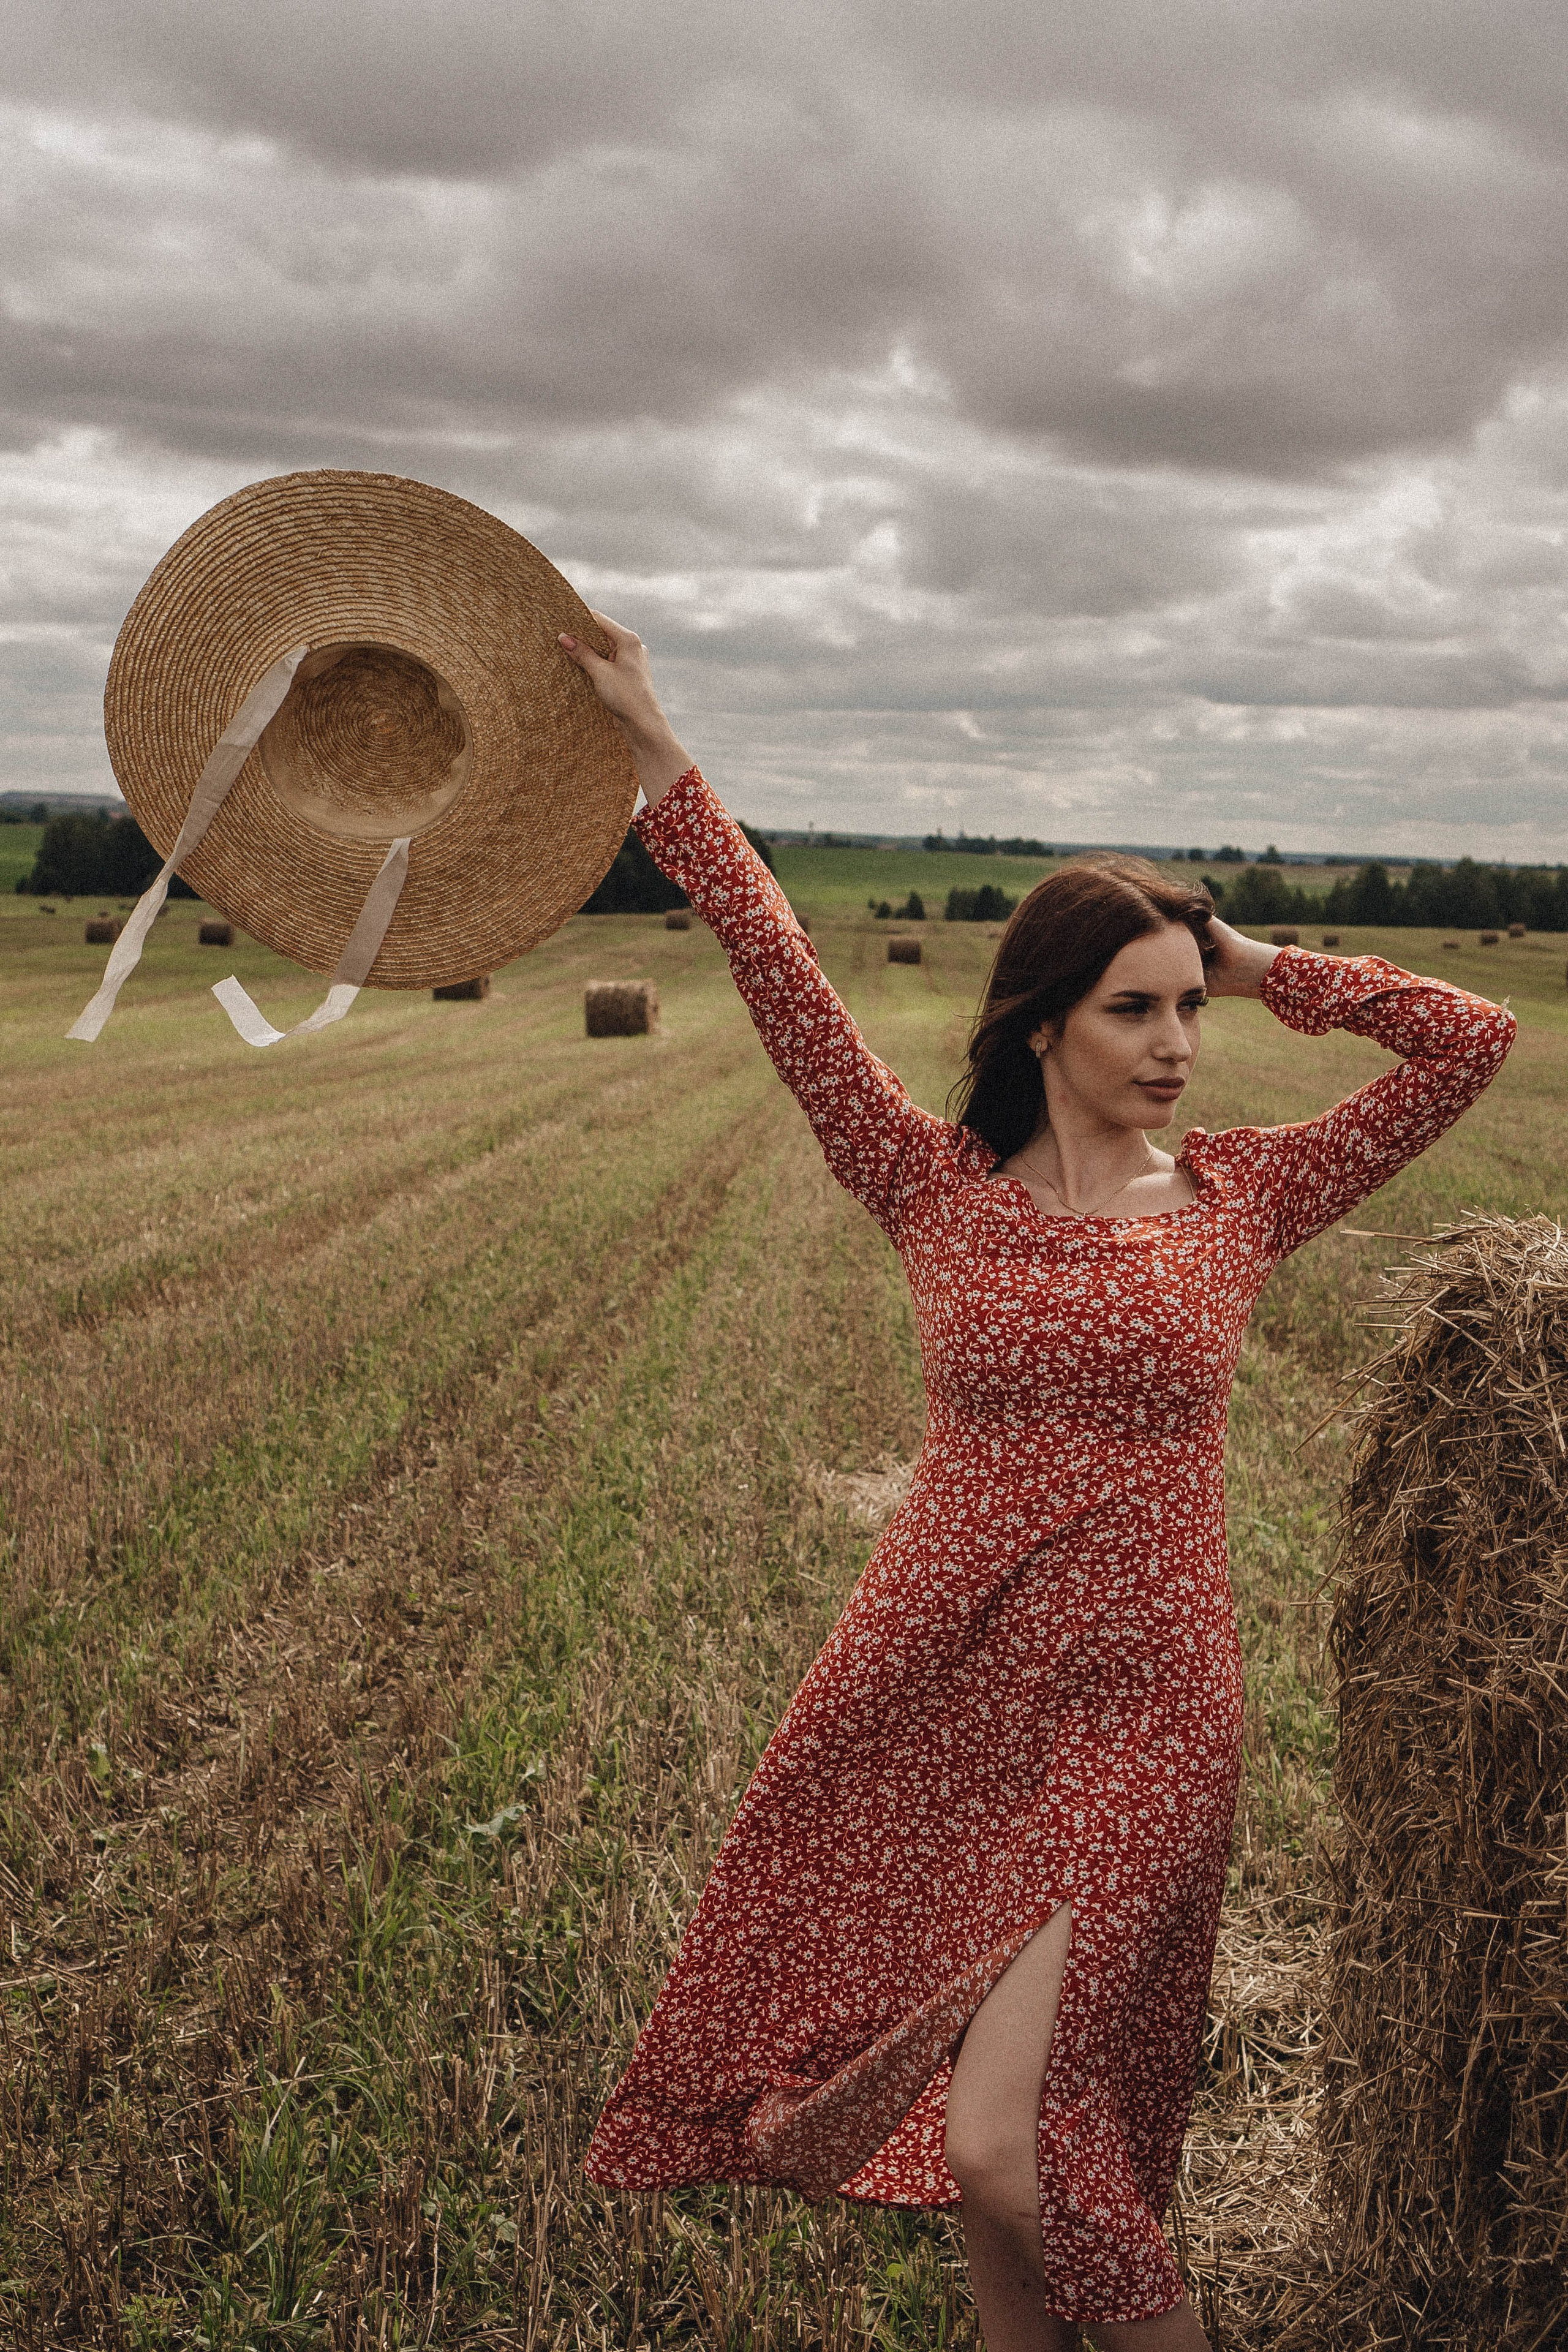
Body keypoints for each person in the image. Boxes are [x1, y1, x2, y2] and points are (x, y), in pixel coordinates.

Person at [559, 616, 1515, 2350]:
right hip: (949, 1681)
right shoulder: (935, 1188)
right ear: (1045, 1024)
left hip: (1149, 1704)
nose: (1175, 1043)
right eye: (1133, 1008)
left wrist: (1253, 956)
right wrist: (653, 747)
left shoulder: (1244, 1196)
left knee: (1019, 2144)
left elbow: (1475, 1044)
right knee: (1005, 2193)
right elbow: (781, 966)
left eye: (1185, 1008)